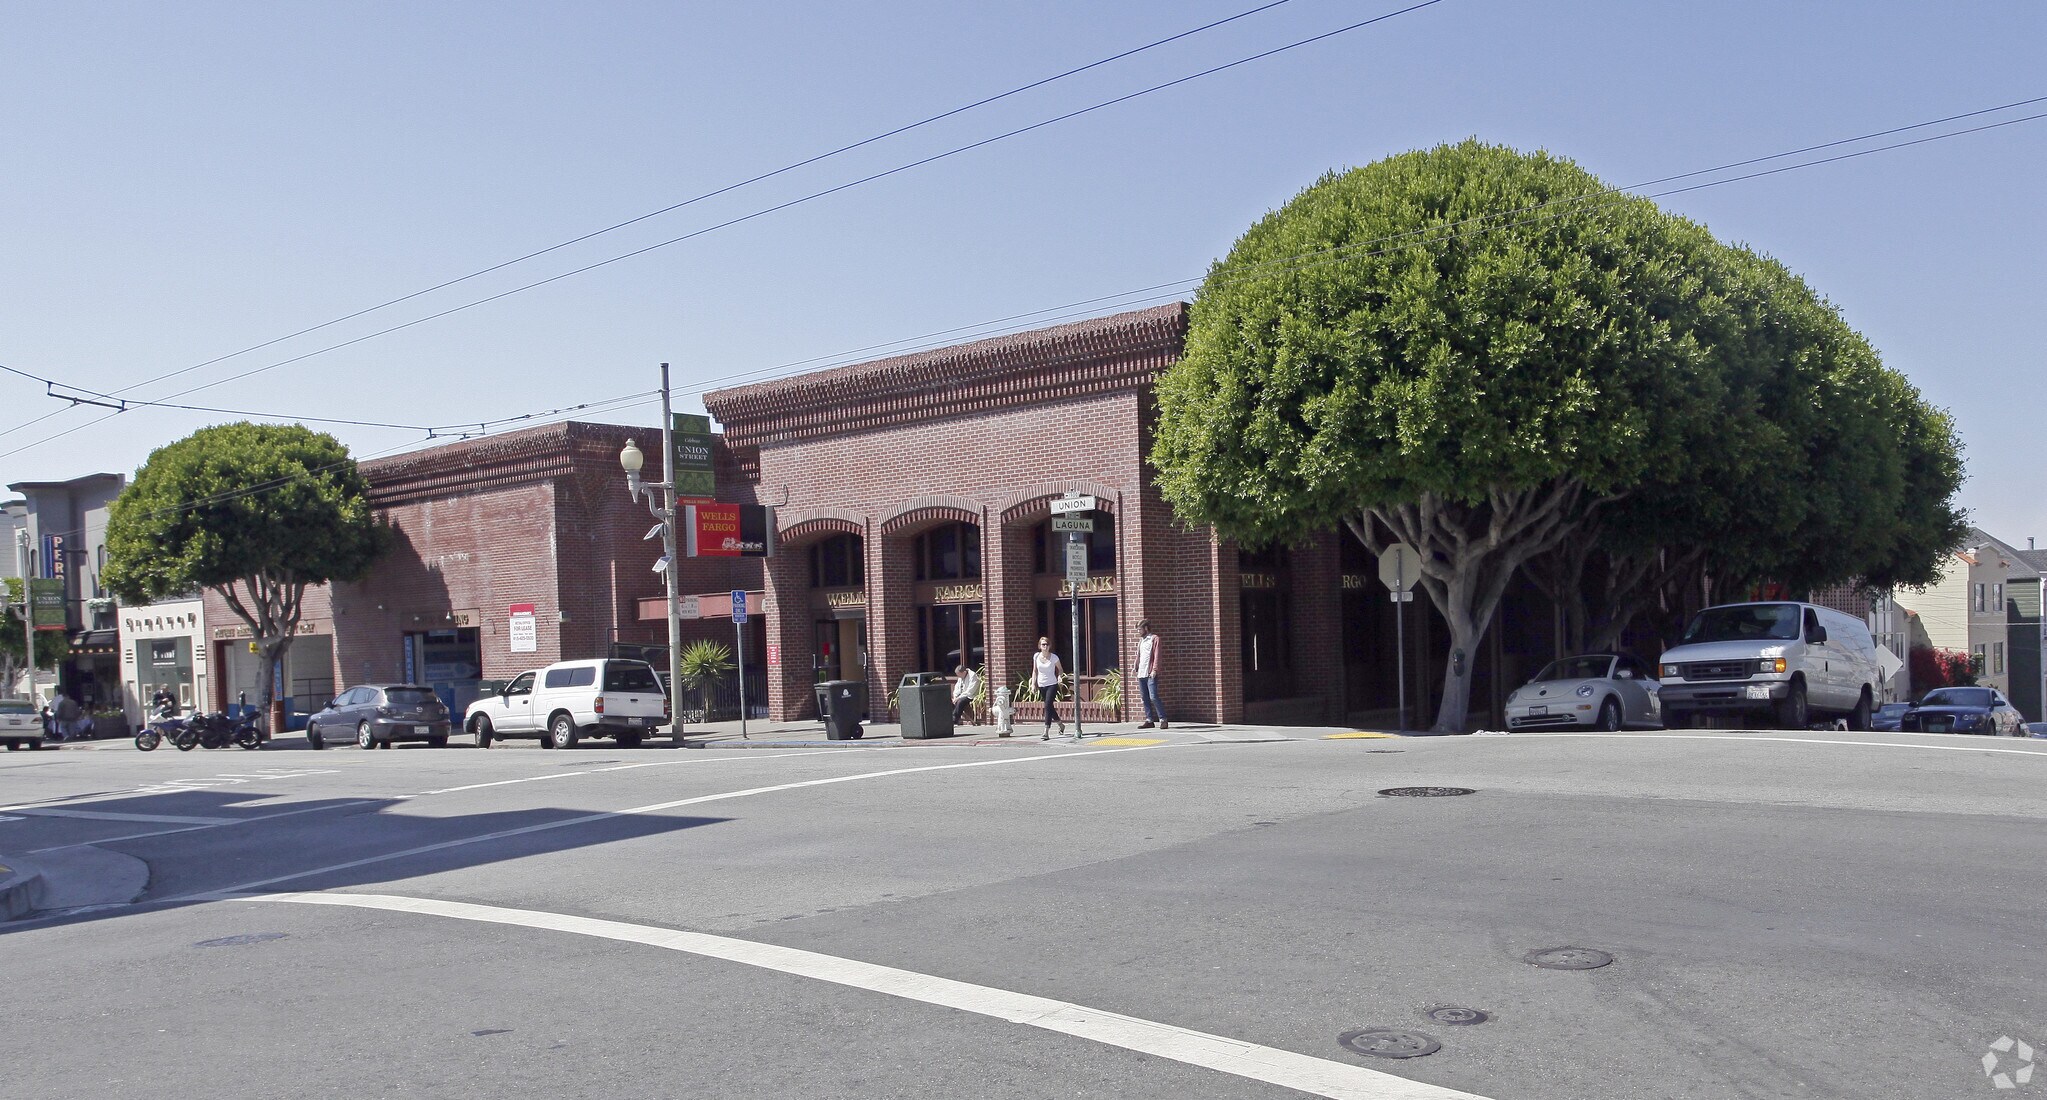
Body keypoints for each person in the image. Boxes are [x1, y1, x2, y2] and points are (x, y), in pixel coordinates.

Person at [1133, 619, 1168, 730]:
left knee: (1153, 696)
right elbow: (1139, 655)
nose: (1138, 631)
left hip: (1150, 672)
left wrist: (1155, 669)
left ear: (1146, 628)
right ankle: (1149, 720)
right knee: (1145, 697)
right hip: (1141, 672)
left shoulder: (1154, 639)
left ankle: (1163, 719)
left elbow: (1157, 655)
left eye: (1140, 629)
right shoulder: (1141, 641)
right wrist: (1135, 666)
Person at [1032, 637, 1066, 736]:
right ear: (1039, 646)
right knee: (1049, 707)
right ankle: (1061, 725)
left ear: (1049, 646)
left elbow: (1060, 669)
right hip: (1041, 684)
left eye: (1047, 644)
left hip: (1052, 684)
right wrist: (1033, 684)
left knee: (1047, 706)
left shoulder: (1054, 657)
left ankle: (1046, 731)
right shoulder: (1036, 656)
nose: (1045, 646)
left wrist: (1059, 676)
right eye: (1043, 644)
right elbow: (1035, 671)